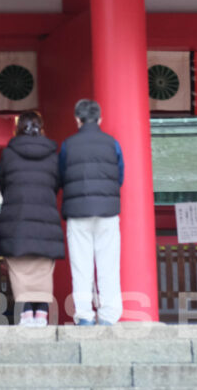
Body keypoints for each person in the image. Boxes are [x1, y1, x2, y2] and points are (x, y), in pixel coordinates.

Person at [60, 99, 124, 326]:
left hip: (78, 212)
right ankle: (108, 316)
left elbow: (62, 176)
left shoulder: (68, 144)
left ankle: (85, 316)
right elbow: (120, 177)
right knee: (108, 265)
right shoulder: (112, 143)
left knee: (81, 266)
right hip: (107, 212)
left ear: (77, 119)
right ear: (100, 119)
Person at [0, 110, 64, 327]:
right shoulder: (53, 155)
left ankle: (26, 312)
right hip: (45, 220)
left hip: (17, 220)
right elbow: (55, 184)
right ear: (41, 128)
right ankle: (42, 312)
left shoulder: (9, 154)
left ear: (18, 129)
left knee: (19, 267)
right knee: (43, 268)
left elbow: (4, 185)